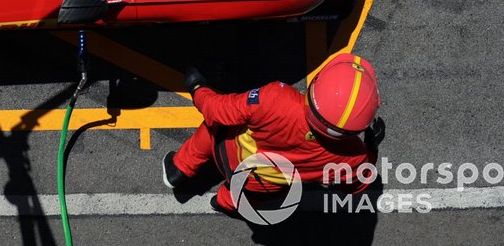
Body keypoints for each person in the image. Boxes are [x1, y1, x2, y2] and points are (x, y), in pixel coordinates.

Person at [163, 53, 384, 216]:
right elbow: (357, 185)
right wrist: (370, 151)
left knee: (214, 126)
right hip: (261, 183)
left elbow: (216, 110)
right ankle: (223, 202)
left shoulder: (276, 99)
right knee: (254, 196)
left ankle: (180, 168)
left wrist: (198, 87)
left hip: (228, 152)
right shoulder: (354, 158)